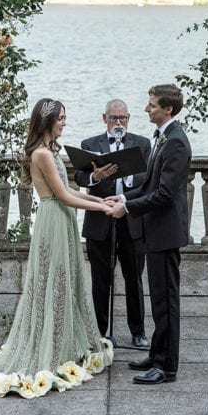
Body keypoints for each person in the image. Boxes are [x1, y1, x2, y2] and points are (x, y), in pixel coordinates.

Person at [0, 98, 114, 399]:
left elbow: (70, 190)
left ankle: (63, 342)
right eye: (60, 118)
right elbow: (63, 197)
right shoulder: (42, 153)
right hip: (54, 218)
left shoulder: (50, 151)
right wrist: (102, 210)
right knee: (53, 281)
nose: (64, 123)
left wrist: (101, 200)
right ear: (46, 121)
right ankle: (50, 347)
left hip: (61, 217)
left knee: (66, 278)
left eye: (64, 118)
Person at [108, 83, 192, 386]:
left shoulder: (176, 142)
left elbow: (165, 194)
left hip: (165, 233)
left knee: (166, 300)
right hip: (155, 231)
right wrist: (124, 198)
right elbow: (149, 186)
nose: (147, 109)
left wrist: (127, 209)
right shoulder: (164, 137)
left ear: (167, 109)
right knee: (157, 298)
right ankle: (157, 354)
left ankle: (167, 366)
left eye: (152, 105)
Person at [73, 98, 151, 350]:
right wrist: (96, 176)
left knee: (134, 278)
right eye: (114, 118)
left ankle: (138, 331)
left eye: (123, 118)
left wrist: (127, 173)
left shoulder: (142, 143)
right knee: (100, 279)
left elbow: (148, 179)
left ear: (129, 119)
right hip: (100, 219)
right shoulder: (90, 144)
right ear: (104, 119)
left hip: (132, 220)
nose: (119, 123)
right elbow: (80, 176)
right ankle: (101, 331)